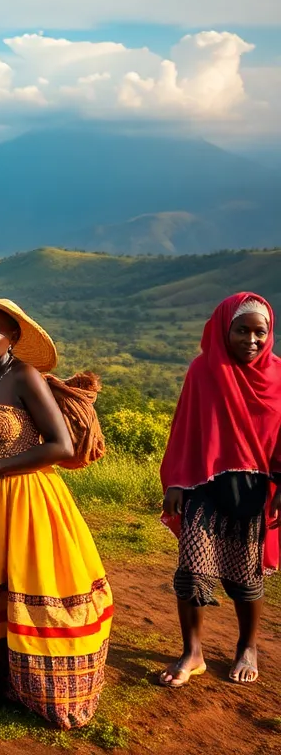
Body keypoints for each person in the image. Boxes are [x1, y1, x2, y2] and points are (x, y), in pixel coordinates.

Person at [0, 293, 112, 730]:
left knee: (31, 584)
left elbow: (59, 446)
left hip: (28, 498)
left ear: (12, 337)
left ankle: (42, 687)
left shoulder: (25, 377)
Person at [158, 292, 281, 688]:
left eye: (259, 332)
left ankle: (248, 645)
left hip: (252, 487)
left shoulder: (279, 376)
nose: (251, 340)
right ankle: (192, 652)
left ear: (270, 333)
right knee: (192, 572)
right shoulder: (203, 371)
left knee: (244, 578)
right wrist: (175, 480)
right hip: (202, 485)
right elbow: (185, 429)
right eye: (241, 330)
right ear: (223, 329)